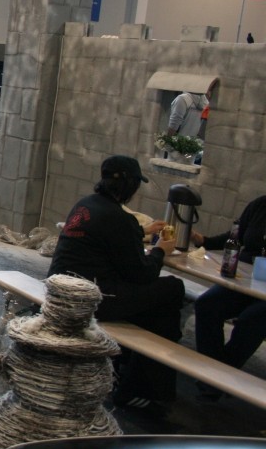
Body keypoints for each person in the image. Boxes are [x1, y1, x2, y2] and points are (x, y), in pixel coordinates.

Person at [48, 155, 183, 414]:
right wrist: (160, 251)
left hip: (61, 290)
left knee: (155, 305)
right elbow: (142, 274)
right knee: (172, 289)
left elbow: (107, 237)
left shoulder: (86, 205)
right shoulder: (119, 218)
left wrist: (142, 232)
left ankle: (128, 371)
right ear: (131, 185)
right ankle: (139, 388)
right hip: (92, 299)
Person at [190, 197, 266, 384]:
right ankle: (213, 371)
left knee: (251, 319)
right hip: (247, 279)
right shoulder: (260, 205)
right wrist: (204, 241)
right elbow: (235, 236)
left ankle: (219, 378)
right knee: (207, 304)